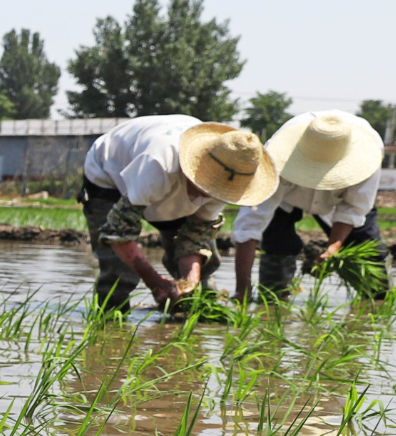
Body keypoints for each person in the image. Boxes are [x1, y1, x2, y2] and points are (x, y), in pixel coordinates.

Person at [79, 116, 276, 311]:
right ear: (198, 166)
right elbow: (118, 233)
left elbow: (194, 237)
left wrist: (189, 282)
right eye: (208, 185)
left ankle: (184, 319)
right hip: (109, 174)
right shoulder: (159, 164)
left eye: (217, 189)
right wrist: (154, 281)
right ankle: (110, 322)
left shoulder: (231, 178)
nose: (207, 195)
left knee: (203, 281)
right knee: (119, 270)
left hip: (161, 181)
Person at [231, 110, 387, 301]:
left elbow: (354, 208)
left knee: (373, 262)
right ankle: (272, 304)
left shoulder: (368, 154)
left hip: (337, 199)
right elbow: (251, 223)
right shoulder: (276, 157)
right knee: (277, 248)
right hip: (287, 198)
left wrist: (332, 249)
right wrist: (242, 287)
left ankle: (375, 305)